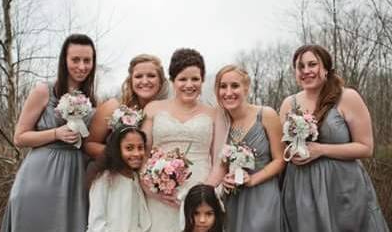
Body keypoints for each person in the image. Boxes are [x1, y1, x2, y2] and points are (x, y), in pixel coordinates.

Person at [280, 44, 389, 232]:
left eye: (312, 64)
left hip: (342, 188)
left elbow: (366, 147)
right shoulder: (289, 103)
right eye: (300, 66)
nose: (306, 71)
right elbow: (281, 148)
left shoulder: (347, 97)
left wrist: (320, 150)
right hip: (300, 189)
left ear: (326, 68)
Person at [0, 34, 97, 232]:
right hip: (39, 178)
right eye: (75, 59)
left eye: (87, 60)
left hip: (74, 180)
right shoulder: (43, 91)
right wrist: (56, 133)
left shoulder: (93, 99)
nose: (81, 66)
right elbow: (19, 137)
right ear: (64, 60)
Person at [142, 48, 220, 232]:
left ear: (202, 80)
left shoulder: (214, 113)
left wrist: (203, 195)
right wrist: (152, 190)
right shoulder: (153, 109)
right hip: (160, 192)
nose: (189, 84)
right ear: (172, 81)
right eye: (182, 79)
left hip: (200, 186)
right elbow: (143, 154)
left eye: (195, 79)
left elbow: (219, 159)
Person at [209, 65, 284, 232]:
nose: (228, 92)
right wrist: (223, 182)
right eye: (223, 86)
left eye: (234, 85)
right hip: (233, 198)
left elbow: (280, 160)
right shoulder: (221, 122)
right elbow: (219, 164)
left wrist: (252, 180)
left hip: (263, 192)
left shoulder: (266, 115)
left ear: (246, 87)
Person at [84, 54, 168, 159]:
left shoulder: (167, 112)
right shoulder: (114, 106)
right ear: (131, 81)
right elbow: (89, 144)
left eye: (151, 76)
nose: (145, 81)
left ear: (160, 82)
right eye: (138, 76)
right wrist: (121, 155)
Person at [87, 126, 151, 232]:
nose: (136, 153)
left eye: (140, 147)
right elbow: (97, 222)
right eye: (129, 148)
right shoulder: (104, 179)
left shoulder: (135, 178)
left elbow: (142, 218)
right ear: (116, 150)